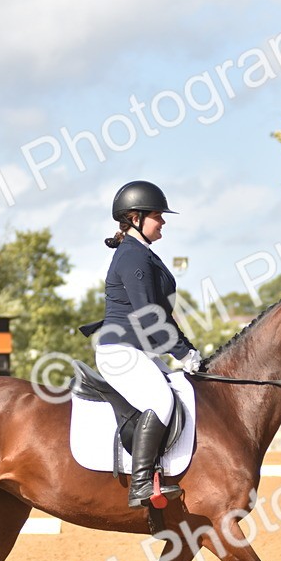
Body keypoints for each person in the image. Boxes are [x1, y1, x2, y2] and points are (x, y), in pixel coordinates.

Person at [79, 181, 202, 509]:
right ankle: (142, 484)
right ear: (135, 217)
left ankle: (165, 472)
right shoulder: (133, 256)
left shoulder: (143, 253)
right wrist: (182, 352)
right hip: (121, 351)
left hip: (139, 350)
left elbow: (162, 313)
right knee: (161, 401)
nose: (163, 221)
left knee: (180, 393)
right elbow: (150, 316)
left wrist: (188, 350)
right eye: (157, 215)